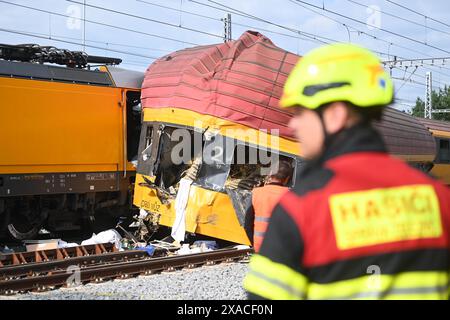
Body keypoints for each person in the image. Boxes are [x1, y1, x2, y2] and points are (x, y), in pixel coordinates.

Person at [243, 43, 450, 300]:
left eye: (301, 112)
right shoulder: (439, 200)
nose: (294, 124)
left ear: (335, 116)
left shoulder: (303, 210)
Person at [244, 160, 293, 252]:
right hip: (282, 249)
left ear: (270, 174)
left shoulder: (256, 193)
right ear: (287, 179)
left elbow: (247, 225)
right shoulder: (291, 195)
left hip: (260, 246)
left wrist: (255, 244)